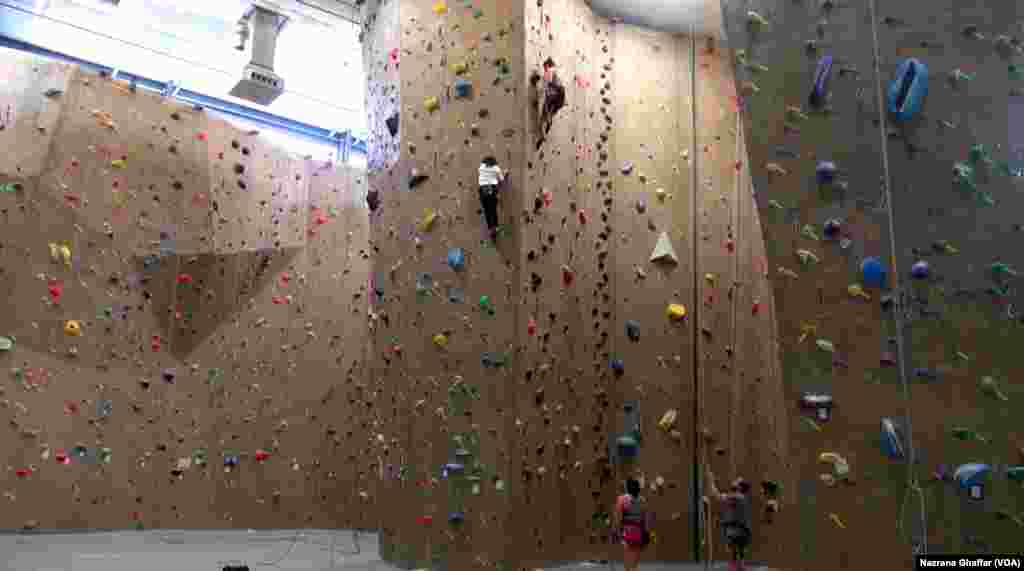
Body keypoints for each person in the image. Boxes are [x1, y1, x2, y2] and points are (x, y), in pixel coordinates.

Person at [706, 467, 752, 571]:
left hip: (738, 529)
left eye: (737, 482)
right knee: (739, 549)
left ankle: (736, 565)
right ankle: (739, 565)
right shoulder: (742, 497)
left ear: (740, 487)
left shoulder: (737, 497)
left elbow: (717, 496)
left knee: (734, 548)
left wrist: (711, 481)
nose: (735, 482)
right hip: (742, 529)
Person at [613, 478, 649, 571]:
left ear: (627, 487)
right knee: (635, 563)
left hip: (627, 531)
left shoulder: (622, 499)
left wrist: (615, 531)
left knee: (627, 561)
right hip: (638, 531)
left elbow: (618, 517)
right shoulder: (642, 500)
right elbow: (645, 518)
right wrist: (646, 532)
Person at [532, 57, 566, 150]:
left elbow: (545, 87)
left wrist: (537, 99)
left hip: (555, 96)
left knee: (544, 115)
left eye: (545, 67)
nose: (544, 69)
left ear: (547, 65)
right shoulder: (554, 72)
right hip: (558, 97)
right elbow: (546, 86)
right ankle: (543, 134)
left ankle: (547, 123)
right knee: (545, 116)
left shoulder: (550, 71)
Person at [478, 156, 504, 240]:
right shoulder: (496, 168)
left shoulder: (481, 167)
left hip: (483, 189)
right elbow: (501, 180)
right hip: (492, 189)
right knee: (493, 209)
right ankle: (495, 227)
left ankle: (490, 228)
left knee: (487, 210)